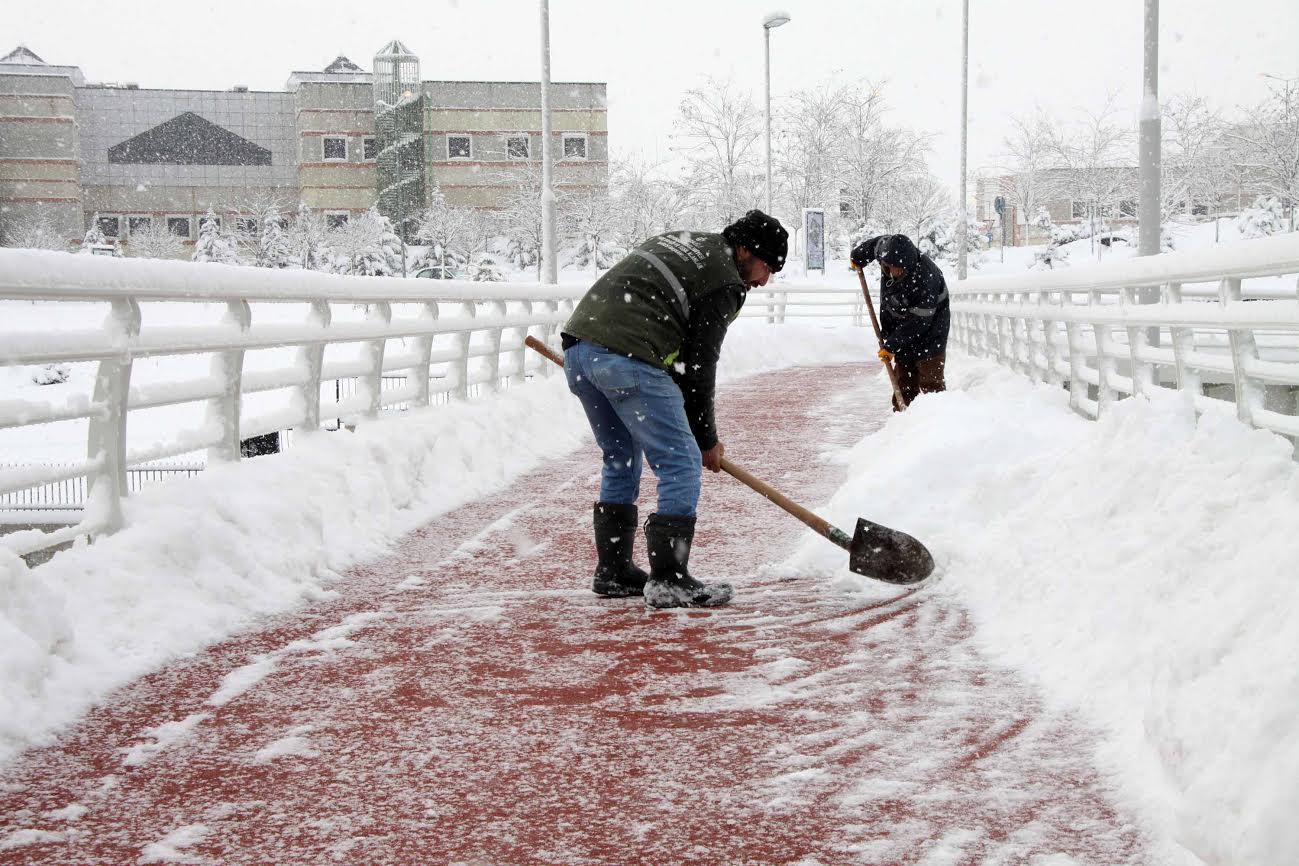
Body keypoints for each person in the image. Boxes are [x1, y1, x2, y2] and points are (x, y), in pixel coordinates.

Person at [560, 210, 789, 609]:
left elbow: (680, 360)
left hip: (580, 350)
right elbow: (698, 366)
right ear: (745, 250)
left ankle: (613, 570)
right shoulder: (725, 281)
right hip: (628, 356)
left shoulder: (685, 241)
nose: (763, 281)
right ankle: (669, 578)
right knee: (680, 461)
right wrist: (706, 441)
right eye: (766, 267)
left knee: (620, 456)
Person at [850, 234, 950, 410]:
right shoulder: (886, 252)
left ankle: (936, 419)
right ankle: (902, 419)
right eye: (891, 267)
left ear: (908, 265)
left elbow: (919, 321)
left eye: (899, 269)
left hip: (931, 331)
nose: (894, 272)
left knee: (931, 383)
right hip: (901, 326)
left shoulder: (925, 277)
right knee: (904, 382)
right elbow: (874, 246)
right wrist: (858, 256)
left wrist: (892, 345)